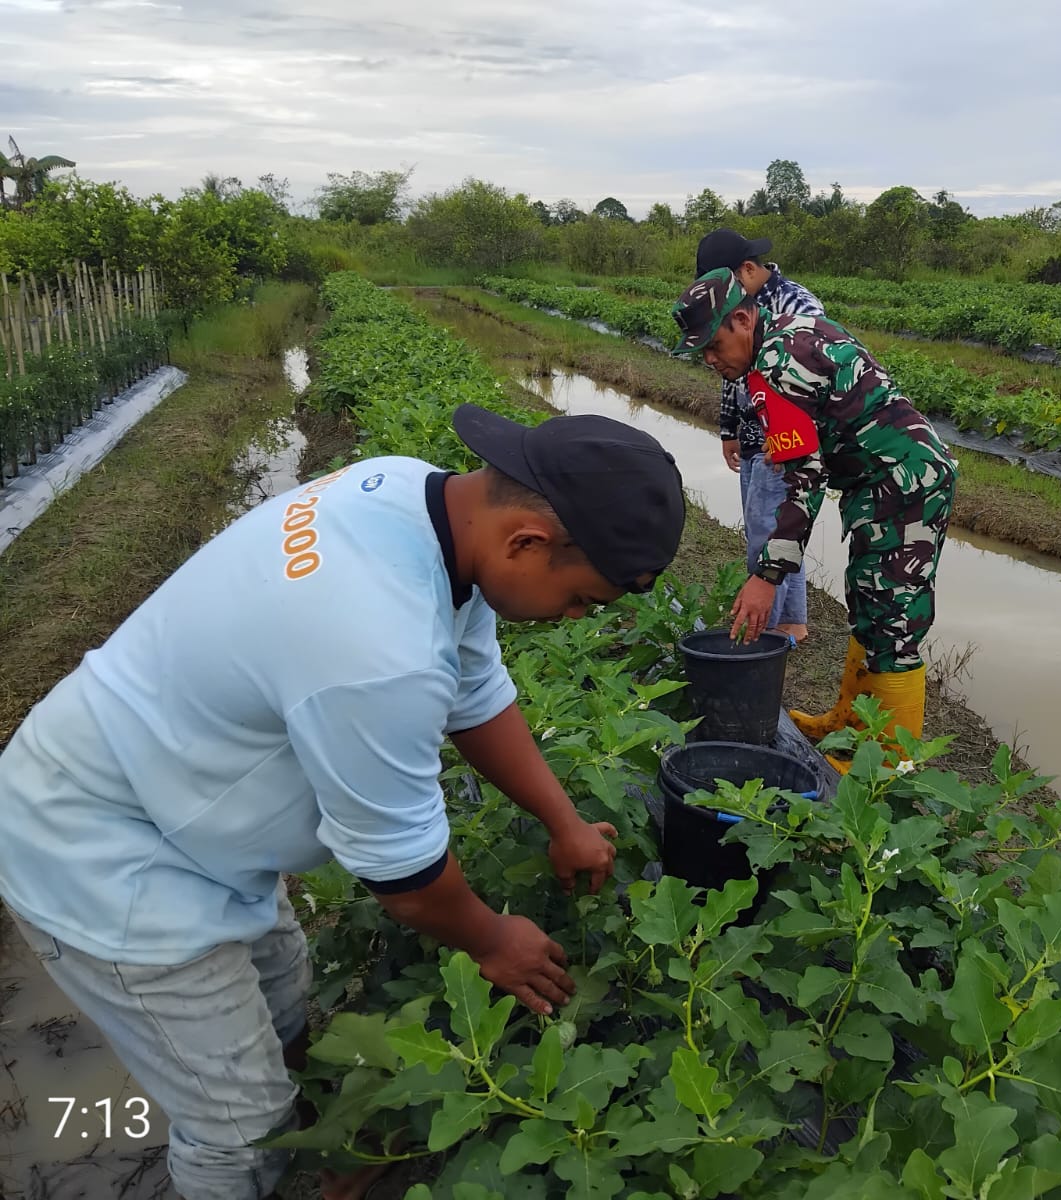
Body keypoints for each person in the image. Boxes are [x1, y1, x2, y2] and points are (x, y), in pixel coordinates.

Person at [0, 406, 685, 1200]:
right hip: (101, 850)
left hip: (175, 800)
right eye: (583, 600)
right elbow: (411, 882)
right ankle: (260, 1159)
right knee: (235, 1130)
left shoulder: (413, 496)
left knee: (288, 998)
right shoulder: (379, 651)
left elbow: (476, 690)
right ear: (526, 541)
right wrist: (496, 940)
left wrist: (563, 821)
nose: (575, 619)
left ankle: (314, 1139)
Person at [670, 267, 957, 766]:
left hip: (905, 483)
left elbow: (803, 482)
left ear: (742, 318)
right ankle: (848, 719)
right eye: (702, 354)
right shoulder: (779, 341)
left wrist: (767, 575)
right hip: (880, 484)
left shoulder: (781, 368)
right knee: (868, 599)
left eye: (714, 346)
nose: (711, 360)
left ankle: (888, 765)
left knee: (894, 620)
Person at [696, 227, 824, 644]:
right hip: (754, 433)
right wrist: (729, 427)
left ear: (747, 270)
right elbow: (732, 375)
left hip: (784, 434)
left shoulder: (797, 307)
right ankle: (790, 623)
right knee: (777, 526)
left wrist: (790, 435)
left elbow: (808, 382)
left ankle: (764, 631)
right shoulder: (735, 314)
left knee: (769, 529)